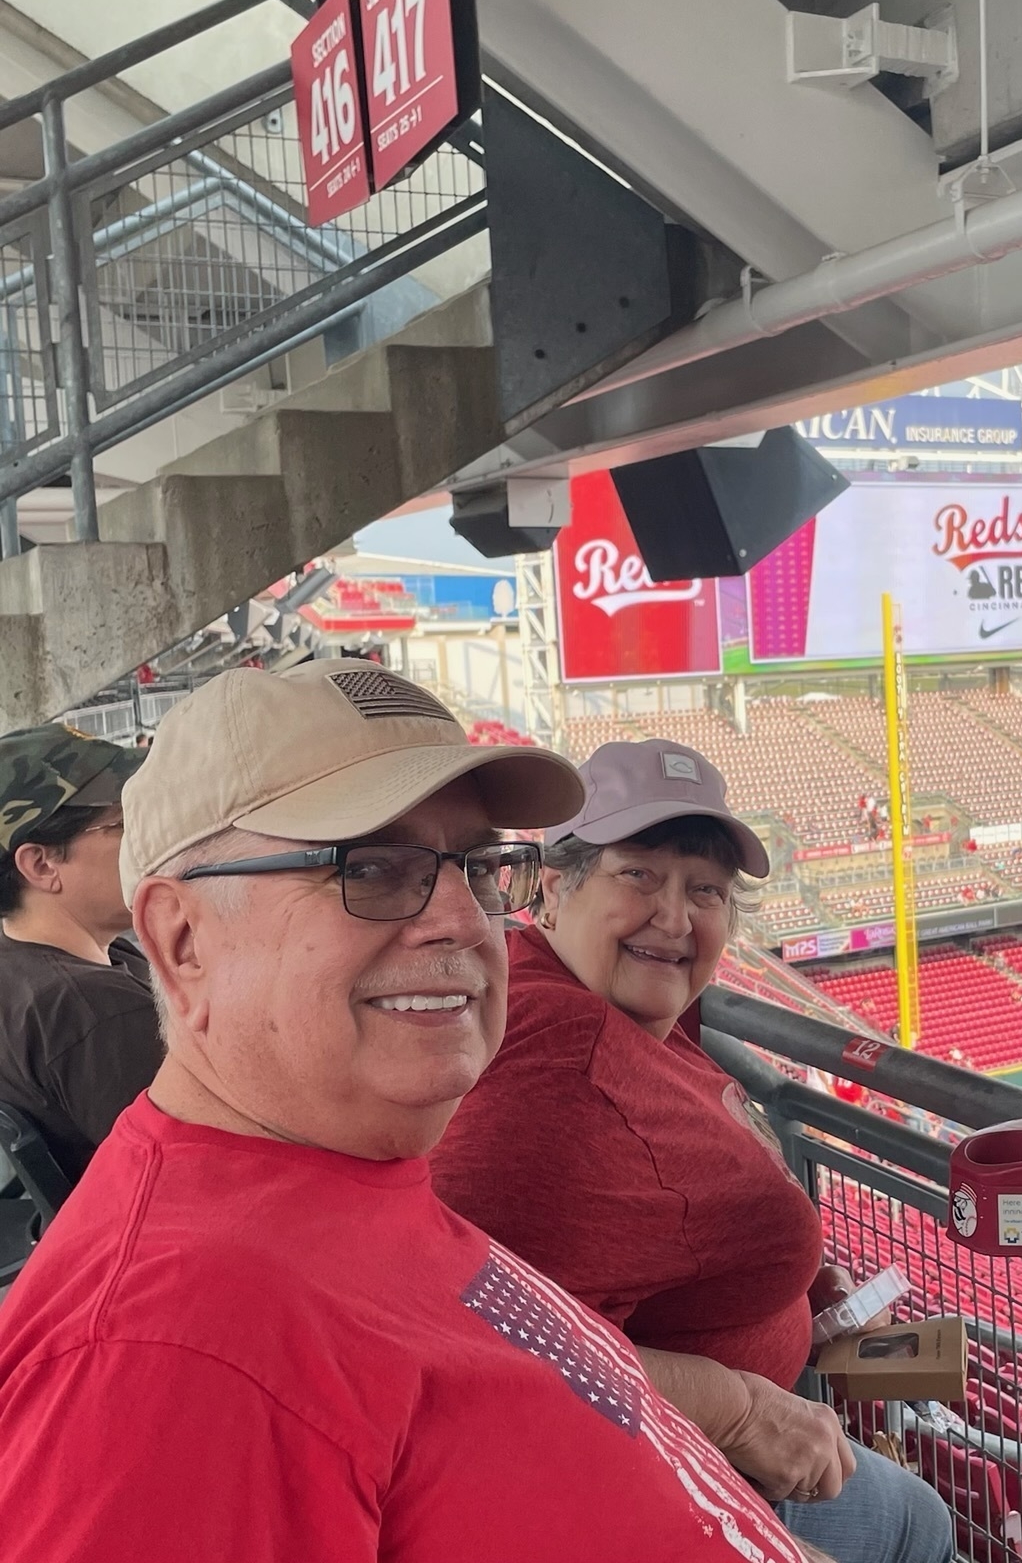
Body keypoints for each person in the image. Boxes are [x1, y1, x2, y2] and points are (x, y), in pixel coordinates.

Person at [0, 665, 814, 1563]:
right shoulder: (163, 1357)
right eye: (373, 869)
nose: (466, 923)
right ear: (183, 941)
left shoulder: (347, 1163)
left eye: (475, 866)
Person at [431, 739, 953, 1563]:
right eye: (638, 874)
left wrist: (802, 1288)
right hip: (670, 1488)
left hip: (711, 1454)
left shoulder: (592, 1002)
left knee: (920, 1518)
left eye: (705, 889)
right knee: (920, 1527)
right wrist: (739, 1410)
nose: (675, 917)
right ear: (556, 888)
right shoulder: (558, 1069)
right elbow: (491, 1355)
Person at [0, 725, 162, 1181]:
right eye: (122, 825)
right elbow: (213, 1172)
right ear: (41, 864)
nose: (148, 840)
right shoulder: (93, 1011)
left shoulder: (21, 967)